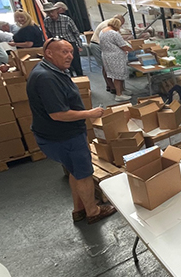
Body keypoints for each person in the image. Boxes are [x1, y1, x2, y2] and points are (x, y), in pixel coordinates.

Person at [26, 37, 115, 224]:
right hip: (64, 136)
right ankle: (93, 211)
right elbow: (58, 114)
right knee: (83, 173)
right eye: (64, 52)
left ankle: (79, 209)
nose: (69, 56)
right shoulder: (46, 77)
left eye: (71, 52)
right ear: (49, 53)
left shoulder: (52, 71)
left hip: (60, 135)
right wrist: (89, 113)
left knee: (75, 171)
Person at [42, 2, 84, 76]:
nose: (51, 14)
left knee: (76, 65)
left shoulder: (67, 19)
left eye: (52, 12)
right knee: (63, 67)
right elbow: (49, 35)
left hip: (70, 44)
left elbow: (76, 32)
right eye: (48, 12)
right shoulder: (46, 21)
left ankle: (81, 81)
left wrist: (79, 45)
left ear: (56, 11)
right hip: (57, 46)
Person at [90, 14, 128, 93]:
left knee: (107, 68)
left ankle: (113, 87)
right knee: (106, 68)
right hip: (97, 44)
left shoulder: (110, 24)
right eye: (121, 24)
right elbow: (112, 38)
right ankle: (112, 87)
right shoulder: (107, 26)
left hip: (101, 46)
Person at [99, 17, 132, 102]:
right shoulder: (114, 33)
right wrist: (134, 48)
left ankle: (122, 90)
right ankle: (119, 94)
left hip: (107, 55)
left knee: (115, 74)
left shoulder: (102, 31)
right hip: (116, 57)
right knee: (118, 76)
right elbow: (123, 46)